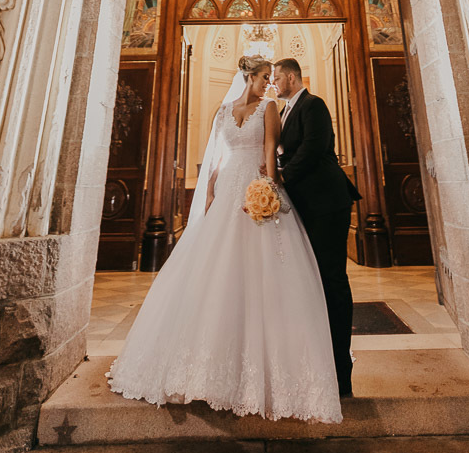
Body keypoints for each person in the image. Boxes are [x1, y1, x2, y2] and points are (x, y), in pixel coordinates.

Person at [107, 55, 342, 423]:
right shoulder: (224, 110)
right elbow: (217, 153)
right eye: (265, 77)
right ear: (248, 77)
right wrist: (212, 187)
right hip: (229, 183)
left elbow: (270, 151)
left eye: (272, 77)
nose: (269, 84)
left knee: (263, 265)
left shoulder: (268, 109)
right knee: (215, 270)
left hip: (254, 184)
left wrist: (267, 186)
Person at [272, 57, 361, 397]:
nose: (273, 83)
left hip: (327, 203)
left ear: (292, 77)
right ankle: (319, 362)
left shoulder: (314, 105)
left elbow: (313, 148)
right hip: (305, 205)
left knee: (332, 278)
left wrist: (281, 177)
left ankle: (342, 371)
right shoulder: (283, 112)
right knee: (312, 280)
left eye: (277, 77)